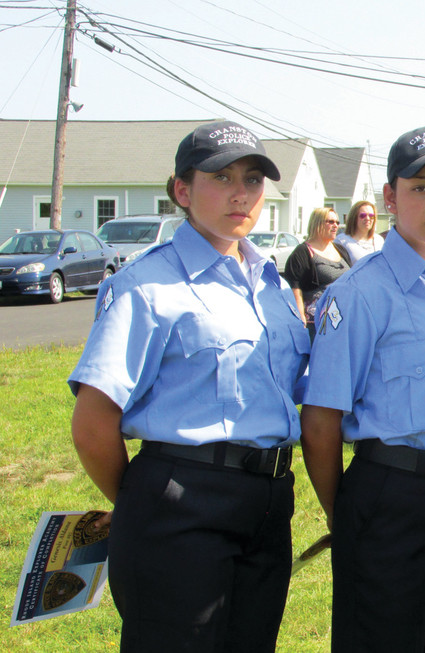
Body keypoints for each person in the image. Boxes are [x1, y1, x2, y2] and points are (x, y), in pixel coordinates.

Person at [68, 120, 310, 651]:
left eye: (252, 179)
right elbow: (91, 425)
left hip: (268, 501)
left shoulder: (269, 283)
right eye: (221, 177)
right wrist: (148, 502)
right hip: (181, 501)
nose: (240, 193)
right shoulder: (148, 285)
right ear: (182, 190)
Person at [300, 126, 425, 652]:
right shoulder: (362, 293)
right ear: (390, 197)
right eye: (421, 187)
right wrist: (350, 515)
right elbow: (320, 421)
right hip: (391, 493)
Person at [285, 207, 351, 338]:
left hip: (342, 318)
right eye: (330, 222)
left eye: (337, 223)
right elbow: (294, 286)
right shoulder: (303, 252)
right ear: (318, 223)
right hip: (316, 323)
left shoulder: (340, 249)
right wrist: (300, 316)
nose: (335, 226)